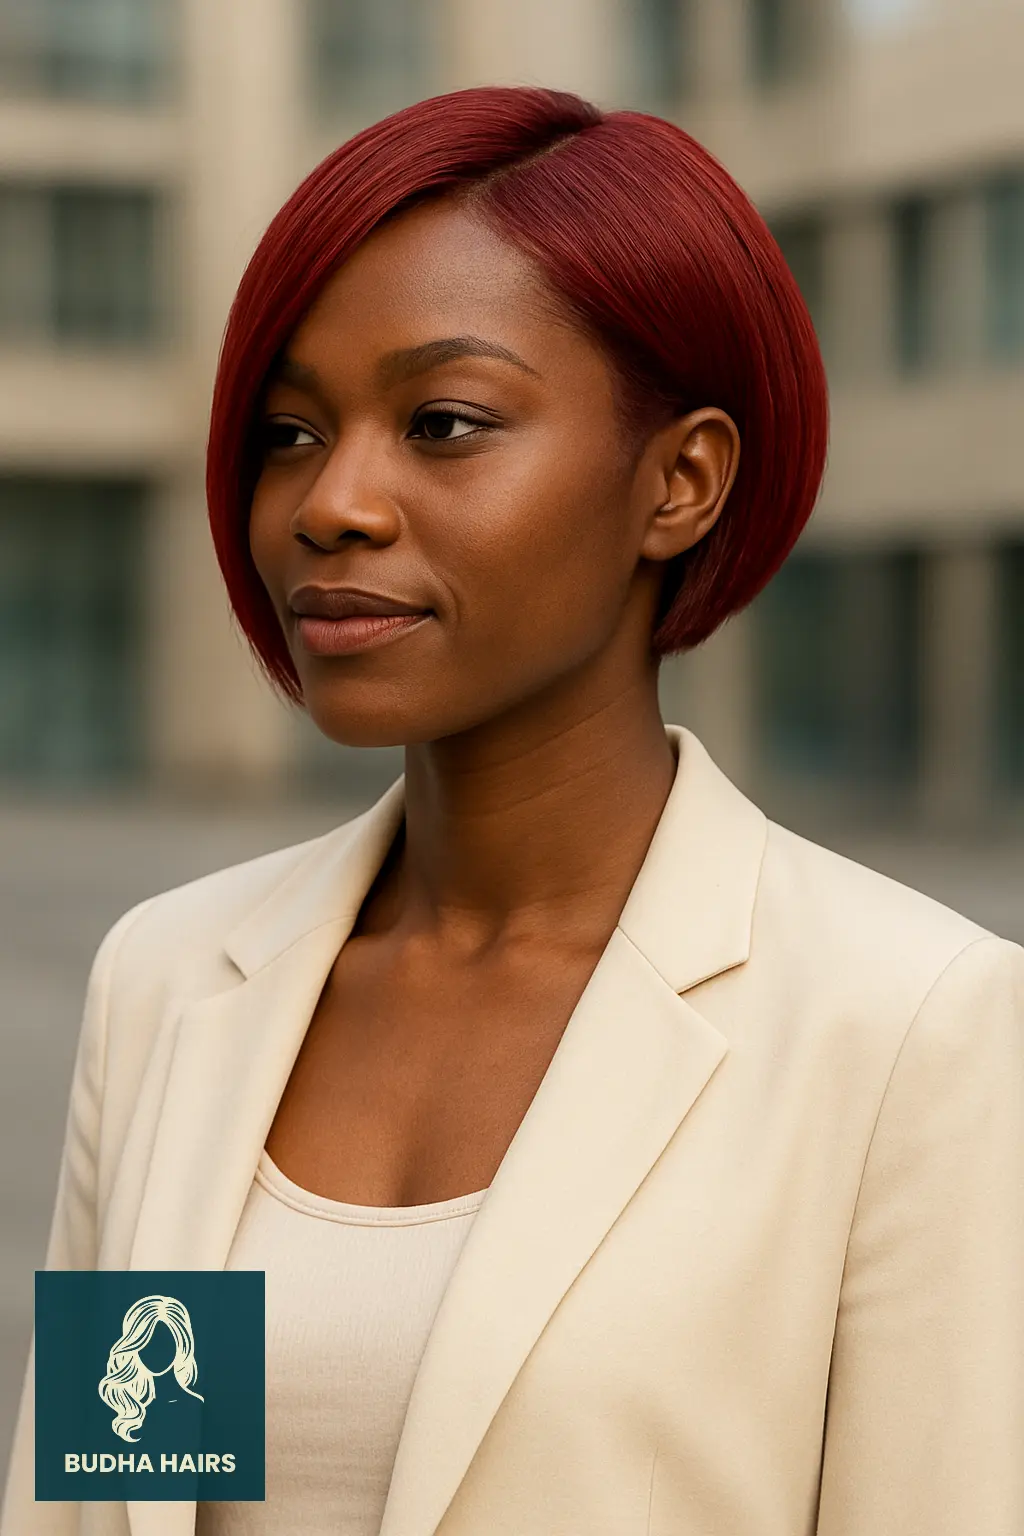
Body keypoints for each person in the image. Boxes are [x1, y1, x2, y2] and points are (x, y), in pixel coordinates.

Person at [3, 83, 1022, 1536]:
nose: (332, 504)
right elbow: (120, 1490)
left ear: (680, 483)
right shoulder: (172, 984)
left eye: (444, 421)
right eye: (290, 433)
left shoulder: (909, 1028)